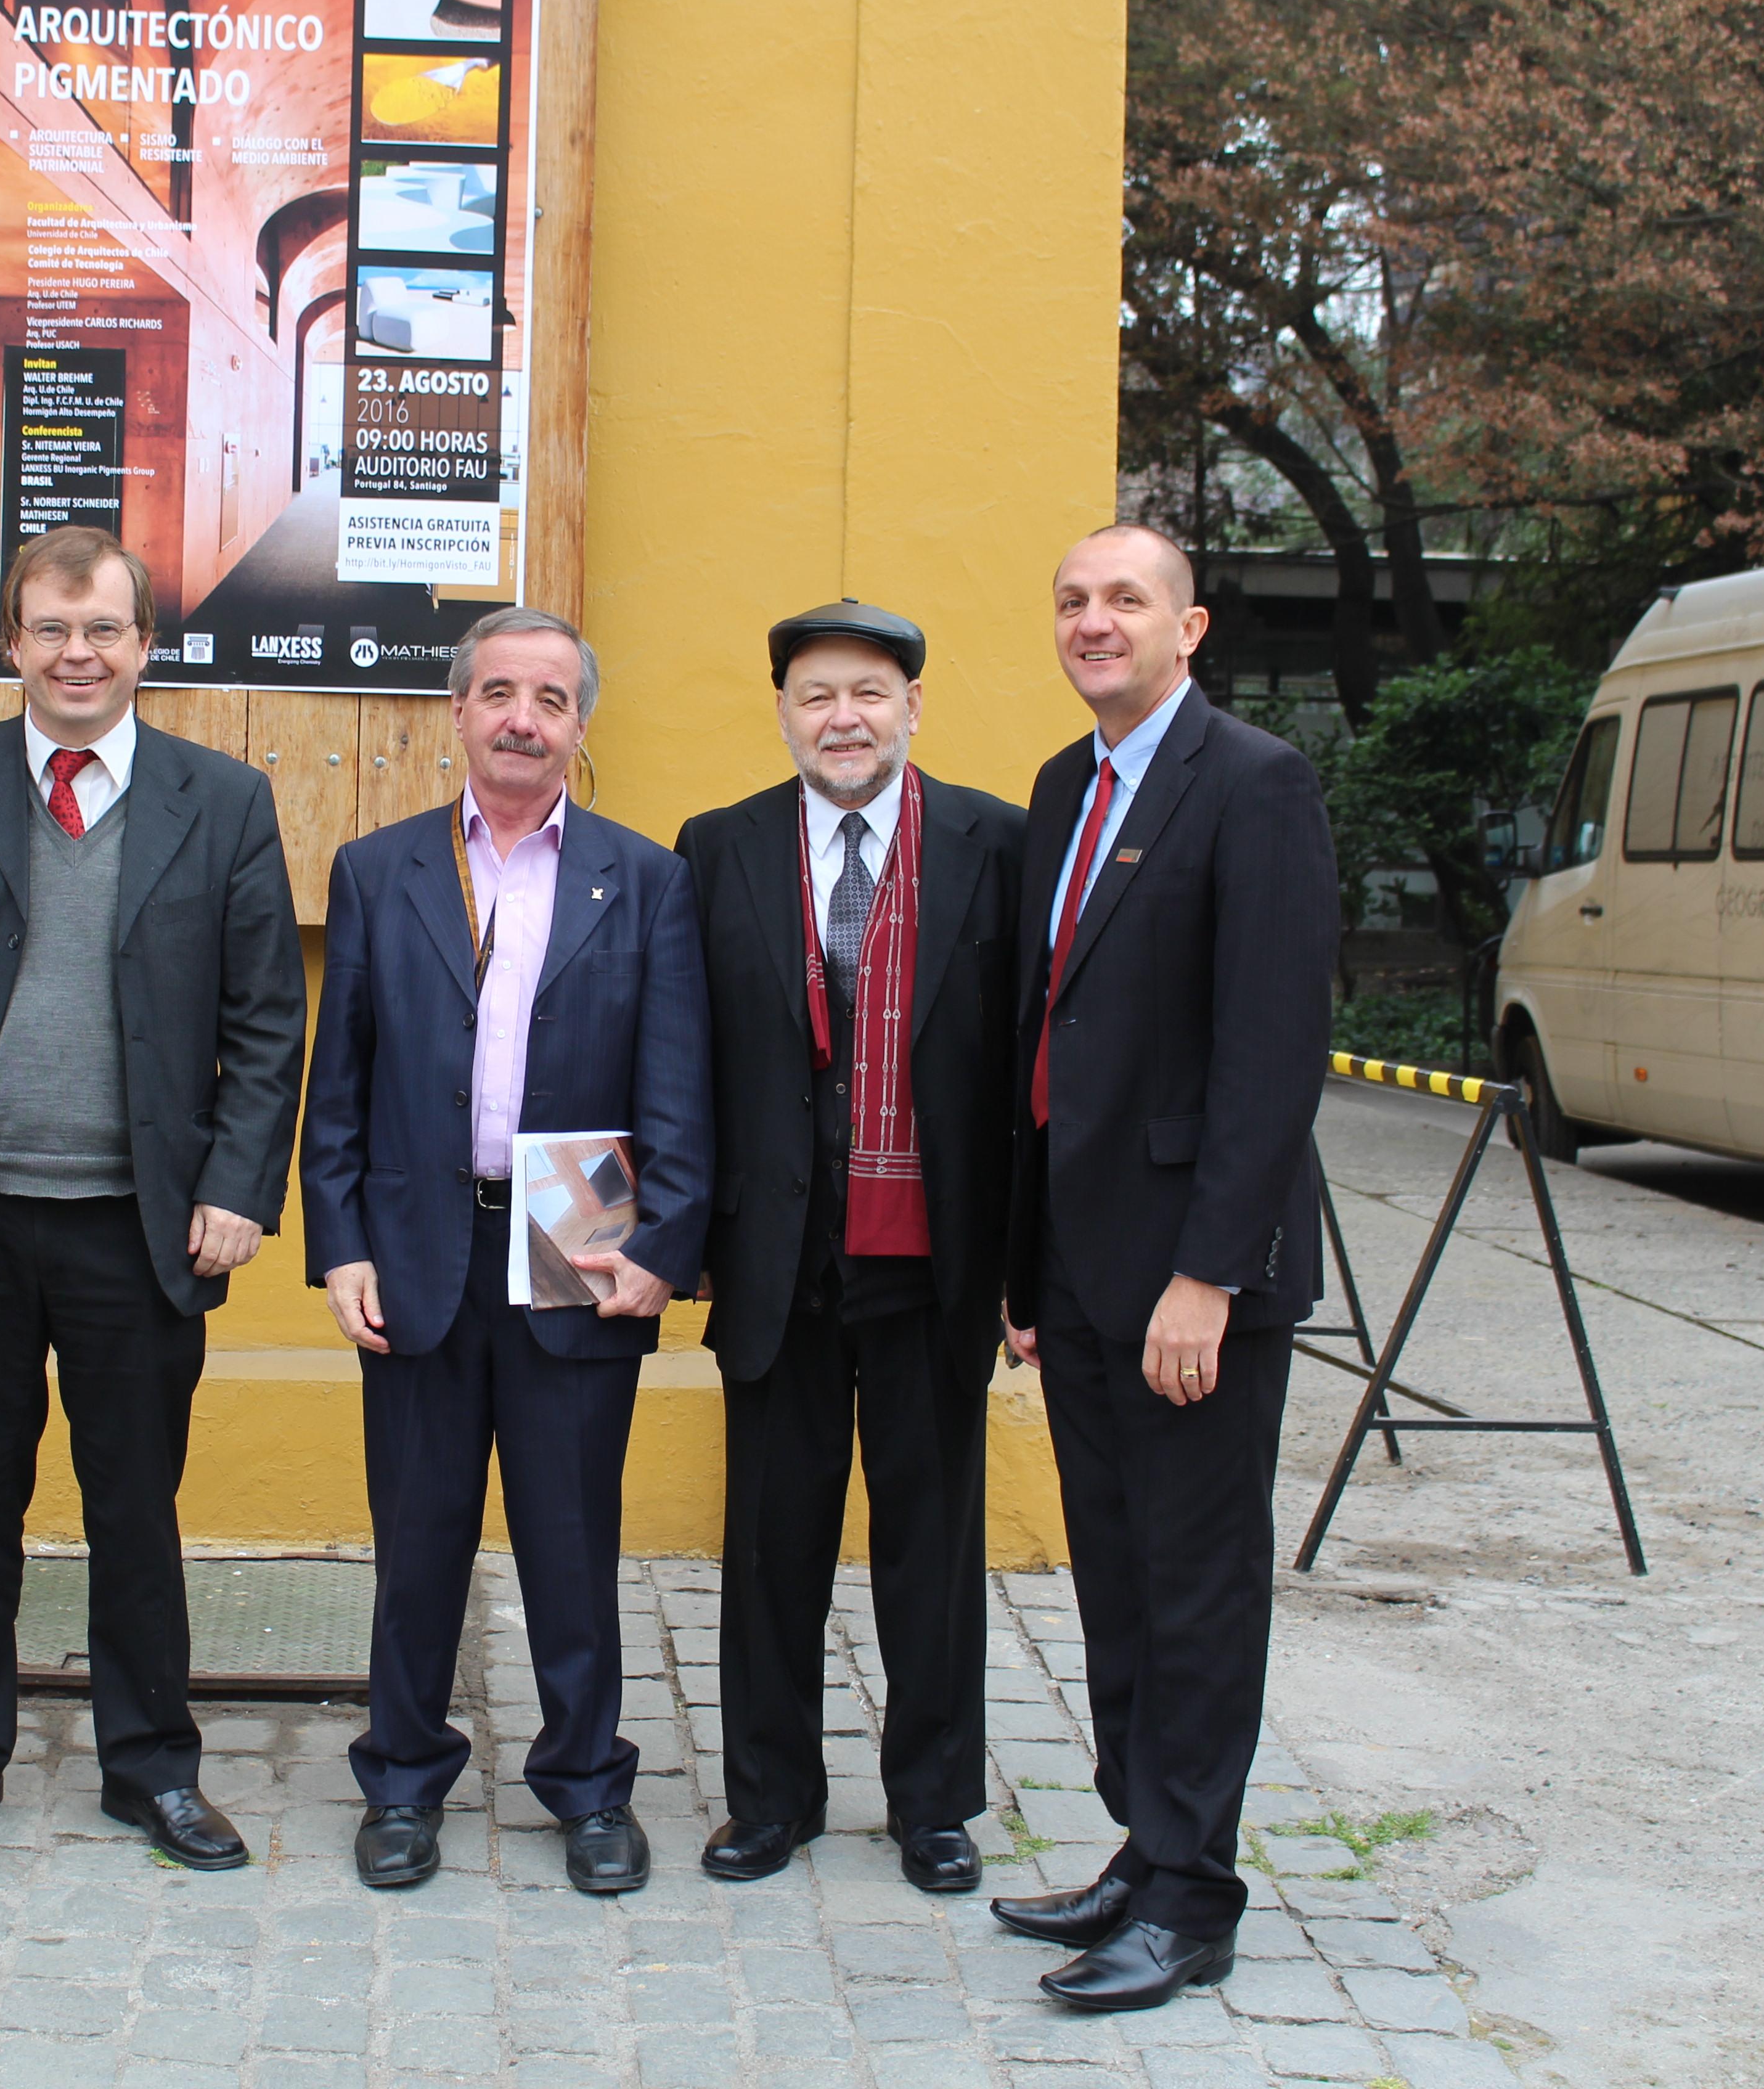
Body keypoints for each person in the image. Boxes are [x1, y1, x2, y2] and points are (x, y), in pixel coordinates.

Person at [0, 525, 305, 1872]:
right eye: (51, 628)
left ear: (145, 646)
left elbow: (268, 1022)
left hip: (140, 1225)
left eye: (103, 629)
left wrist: (238, 1190)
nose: (77, 653)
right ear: (12, 642)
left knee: (134, 1511)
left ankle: (151, 1767)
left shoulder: (221, 800)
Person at [302, 605, 712, 1895]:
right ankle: (405, 1781)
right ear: (459, 712)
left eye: (548, 697)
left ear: (579, 723)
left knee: (571, 1540)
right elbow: (344, 1078)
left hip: (576, 1241)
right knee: (417, 1542)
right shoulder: (382, 869)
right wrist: (341, 1244)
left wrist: (662, 1242)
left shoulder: (644, 878)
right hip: (422, 1240)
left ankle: (588, 1786)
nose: (521, 718)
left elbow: (681, 1083)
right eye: (497, 693)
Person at [987, 525, 1337, 2009]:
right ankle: (1147, 1841)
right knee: (1118, 1581)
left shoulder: (1253, 786)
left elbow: (1272, 1055)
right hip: (1076, 1270)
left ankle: (1195, 1896)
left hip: (1190, 1280)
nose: (1092, 621)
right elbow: (1044, 1042)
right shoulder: (1067, 786)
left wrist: (1213, 1274)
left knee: (1196, 1588)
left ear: (1188, 630)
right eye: (1071, 600)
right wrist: (1024, 1263)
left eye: (1125, 600)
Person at [671, 600, 1025, 1894]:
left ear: (913, 708)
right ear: (782, 711)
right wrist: (680, 1231)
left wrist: (1021, 1270)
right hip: (775, 1260)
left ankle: (933, 1803)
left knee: (931, 1549)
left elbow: (1019, 1076)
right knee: (773, 1548)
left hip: (931, 1260)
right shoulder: (718, 849)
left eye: (870, 694)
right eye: (817, 695)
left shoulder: (997, 845)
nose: (844, 719)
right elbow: (684, 1057)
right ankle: (771, 1799)